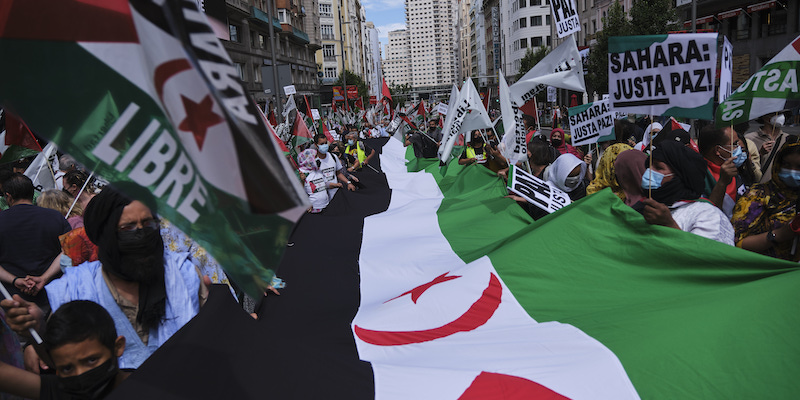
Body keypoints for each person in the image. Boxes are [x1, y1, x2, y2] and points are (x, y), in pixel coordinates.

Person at [1, 184, 205, 369]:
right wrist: (36, 331)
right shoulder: (75, 289)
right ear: (106, 235)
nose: (141, 234)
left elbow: (215, 338)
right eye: (128, 227)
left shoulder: (184, 274)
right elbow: (61, 365)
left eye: (148, 224)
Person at [0, 300, 128, 400]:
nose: (80, 374)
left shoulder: (144, 387)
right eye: (67, 369)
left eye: (91, 360)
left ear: (118, 347)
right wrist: (35, 329)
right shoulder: (66, 392)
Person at [639, 141, 734, 245]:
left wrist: (669, 225)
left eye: (658, 167)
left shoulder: (708, 214)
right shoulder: (641, 208)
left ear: (680, 176)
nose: (649, 171)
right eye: (648, 166)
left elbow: (708, 256)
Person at [0, 174, 72, 313]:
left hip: (12, 302)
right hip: (54, 297)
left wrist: (16, 280)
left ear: (8, 196)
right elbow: (68, 251)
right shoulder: (55, 217)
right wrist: (44, 278)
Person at [731, 140, 800, 261]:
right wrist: (781, 234)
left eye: (799, 167)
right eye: (787, 165)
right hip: (769, 271)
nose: (792, 171)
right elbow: (736, 243)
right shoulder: (757, 195)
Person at [698, 125, 745, 218]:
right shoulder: (698, 175)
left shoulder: (734, 169)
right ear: (718, 150)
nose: (739, 148)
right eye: (734, 144)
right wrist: (722, 182)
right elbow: (708, 215)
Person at [746, 113, 789, 183]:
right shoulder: (750, 139)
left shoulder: (788, 139)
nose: (780, 116)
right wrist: (760, 154)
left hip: (781, 188)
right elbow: (746, 167)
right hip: (760, 188)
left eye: (781, 113)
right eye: (775, 113)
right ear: (765, 117)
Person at [313, 134, 356, 199]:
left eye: (325, 143)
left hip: (336, 195)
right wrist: (333, 185)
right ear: (316, 145)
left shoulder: (333, 157)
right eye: (322, 144)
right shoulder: (313, 161)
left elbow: (338, 173)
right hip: (322, 198)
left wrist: (348, 182)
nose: (324, 145)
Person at [298, 149, 334, 213]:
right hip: (313, 209)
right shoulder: (302, 173)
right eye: (314, 157)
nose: (317, 159)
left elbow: (326, 184)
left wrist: (336, 185)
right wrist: (302, 181)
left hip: (326, 206)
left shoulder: (319, 171)